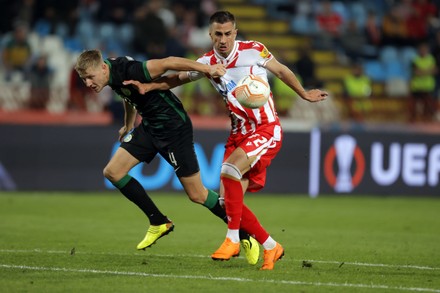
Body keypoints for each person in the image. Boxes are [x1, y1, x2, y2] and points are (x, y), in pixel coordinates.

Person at [125, 11, 328, 270]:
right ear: (210, 34)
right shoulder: (207, 63)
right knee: (228, 202)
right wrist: (149, 87)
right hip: (238, 134)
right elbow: (177, 78)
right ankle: (271, 246)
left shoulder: (254, 51)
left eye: (228, 33)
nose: (223, 39)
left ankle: (232, 239)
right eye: (218, 34)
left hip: (265, 128)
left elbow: (280, 70)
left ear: (235, 32)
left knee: (229, 170)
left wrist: (303, 94)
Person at [74, 49, 260, 265]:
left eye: (90, 77)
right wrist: (128, 123)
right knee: (113, 172)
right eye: (83, 79)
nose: (88, 83)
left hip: (174, 128)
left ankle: (246, 237)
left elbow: (169, 61)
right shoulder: (111, 76)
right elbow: (128, 95)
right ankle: (158, 221)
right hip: (150, 127)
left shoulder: (131, 69)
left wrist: (207, 69)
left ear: (103, 68)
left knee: (198, 195)